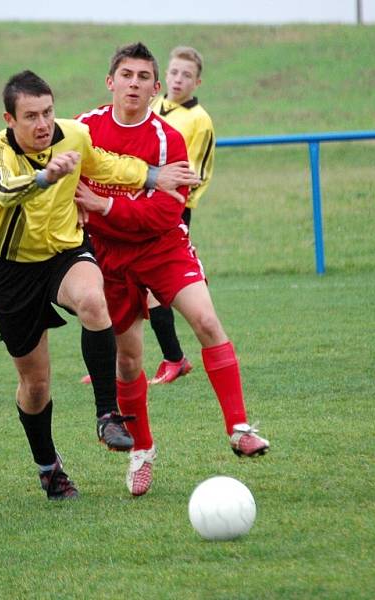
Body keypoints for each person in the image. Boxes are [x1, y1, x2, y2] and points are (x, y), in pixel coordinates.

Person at [0, 70, 199, 500]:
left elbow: (107, 165)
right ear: (9, 119)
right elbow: (4, 191)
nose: (43, 125)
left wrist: (156, 177)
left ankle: (107, 414)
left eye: (48, 112)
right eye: (30, 117)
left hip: (64, 254)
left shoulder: (74, 135)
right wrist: (46, 177)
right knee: (36, 384)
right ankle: (49, 468)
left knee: (94, 301)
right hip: (12, 270)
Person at [74, 43, 268, 498]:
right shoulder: (84, 130)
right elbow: (70, 181)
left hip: (163, 247)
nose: (134, 84)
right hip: (108, 256)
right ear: (111, 82)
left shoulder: (168, 139)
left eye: (144, 77)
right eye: (126, 75)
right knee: (128, 360)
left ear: (156, 88)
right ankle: (142, 453)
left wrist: (104, 205)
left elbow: (164, 215)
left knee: (206, 320)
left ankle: (239, 429)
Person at [144, 45, 216, 385]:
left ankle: (174, 358)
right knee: (121, 280)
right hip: (140, 204)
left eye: (186, 75)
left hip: (172, 210)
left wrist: (178, 210)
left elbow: (196, 173)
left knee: (154, 285)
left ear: (197, 82)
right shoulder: (153, 106)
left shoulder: (199, 121)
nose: (178, 79)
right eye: (173, 72)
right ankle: (114, 362)